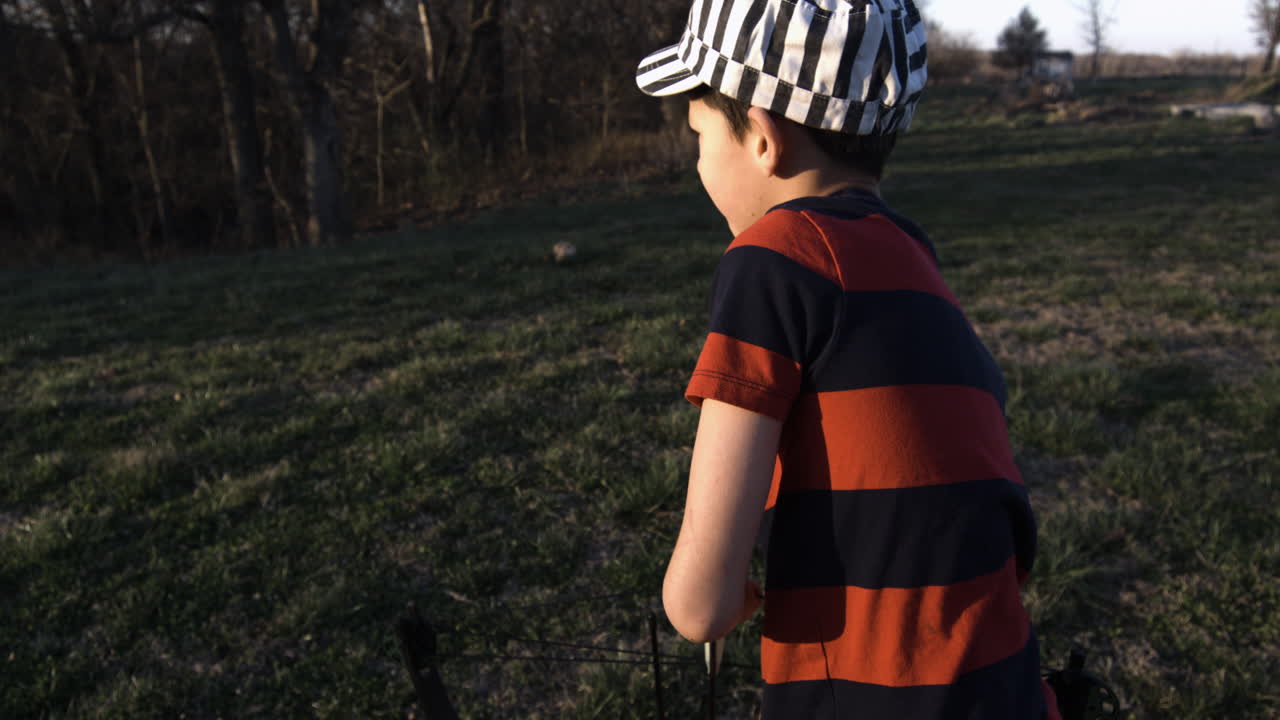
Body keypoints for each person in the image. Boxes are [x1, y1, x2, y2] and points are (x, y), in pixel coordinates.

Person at [635, 1, 1062, 717]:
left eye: (700, 134)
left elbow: (699, 605)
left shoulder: (771, 261)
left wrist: (710, 590)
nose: (700, 160)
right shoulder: (912, 257)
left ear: (764, 138)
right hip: (1008, 689)